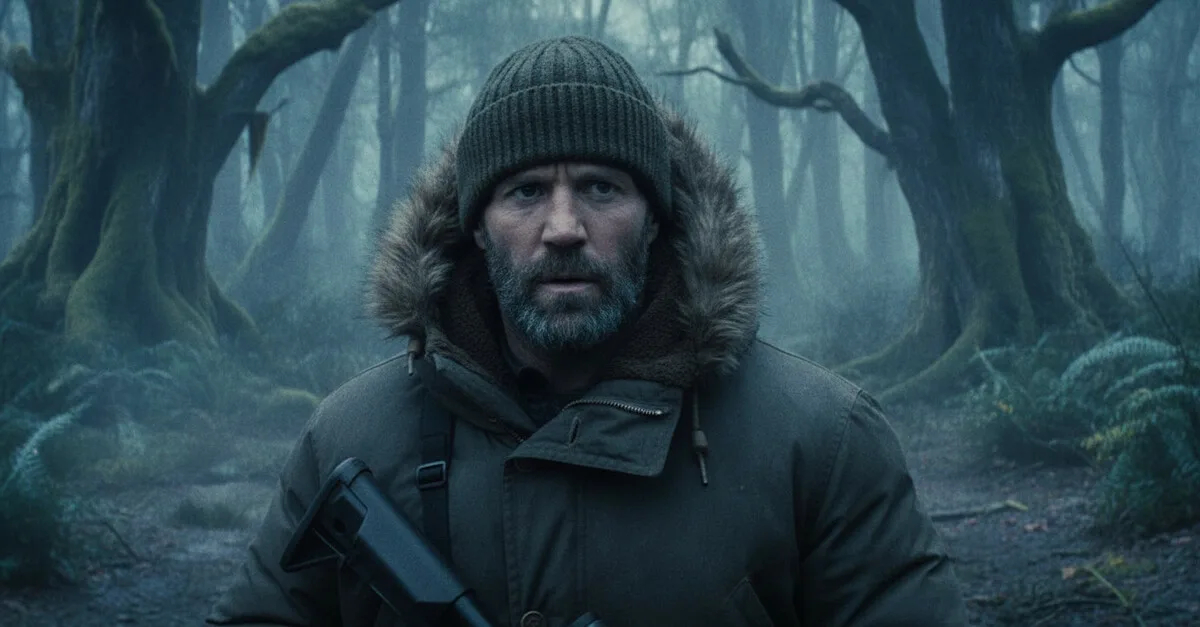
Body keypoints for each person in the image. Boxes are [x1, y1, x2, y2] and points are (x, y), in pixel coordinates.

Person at [207, 35, 967, 627]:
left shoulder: (823, 443)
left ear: (655, 218)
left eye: (602, 188)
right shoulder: (349, 437)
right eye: (525, 191)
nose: (564, 226)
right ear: (477, 226)